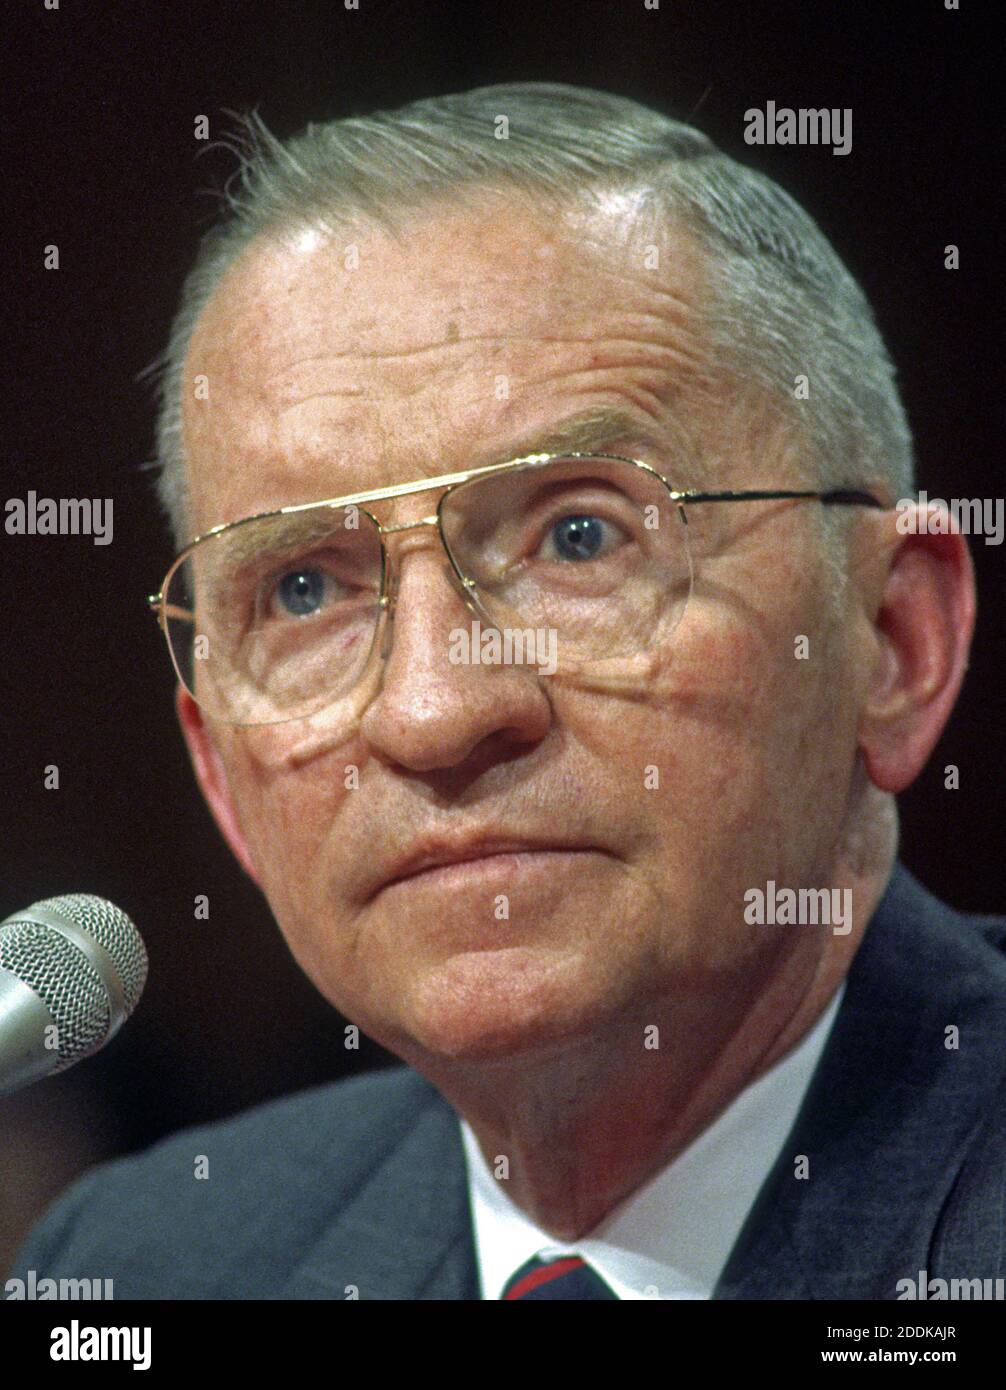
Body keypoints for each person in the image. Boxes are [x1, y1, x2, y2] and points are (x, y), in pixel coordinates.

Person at [9, 82, 1003, 1300]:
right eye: (307, 592)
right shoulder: (140, 1265)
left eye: (578, 537)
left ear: (892, 642)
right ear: (221, 773)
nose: (433, 710)